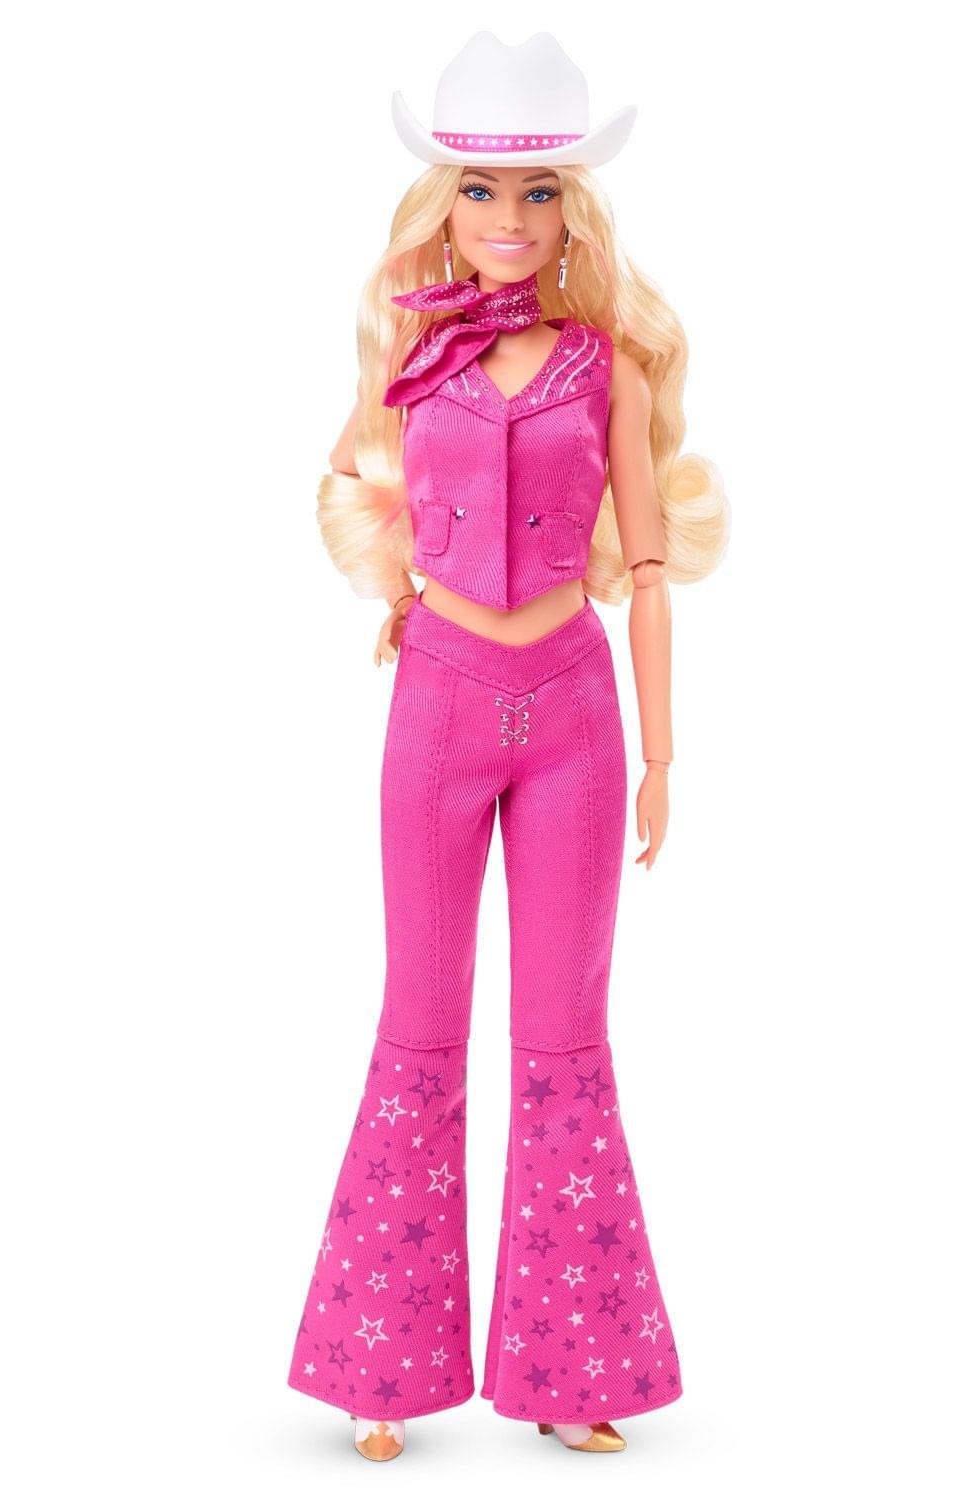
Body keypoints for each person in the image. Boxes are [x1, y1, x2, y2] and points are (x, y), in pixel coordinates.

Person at [287, 31, 728, 1461]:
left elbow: (648, 570)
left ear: (574, 209)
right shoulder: (410, 360)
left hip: (578, 719)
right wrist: (400, 585)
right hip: (441, 704)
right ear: (442, 203)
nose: (510, 220)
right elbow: (346, 480)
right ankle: (382, 1361)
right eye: (482, 190)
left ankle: (572, 1363)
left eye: (539, 194)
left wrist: (663, 754)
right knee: (421, 1016)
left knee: (565, 1033)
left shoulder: (610, 370)